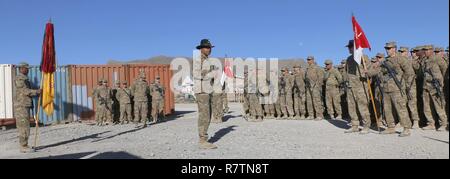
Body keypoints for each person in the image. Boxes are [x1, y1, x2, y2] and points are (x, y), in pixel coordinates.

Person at [193, 39, 218, 149]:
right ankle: (202, 140)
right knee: (204, 115)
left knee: (207, 114)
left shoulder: (206, 60)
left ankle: (203, 138)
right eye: (207, 48)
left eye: (210, 48)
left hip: (206, 90)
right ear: (201, 48)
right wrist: (211, 73)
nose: (209, 49)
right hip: (202, 91)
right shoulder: (198, 59)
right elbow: (197, 74)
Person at [14, 62, 42, 153]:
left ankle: (25, 144)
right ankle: (23, 146)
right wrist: (36, 92)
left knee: (26, 126)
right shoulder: (19, 78)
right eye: (26, 68)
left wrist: (37, 91)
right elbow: (25, 91)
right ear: (22, 68)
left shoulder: (25, 79)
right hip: (21, 106)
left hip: (25, 105)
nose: (28, 70)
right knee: (24, 127)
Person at [304, 56, 325, 120]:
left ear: (313, 60)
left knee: (317, 101)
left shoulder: (317, 68)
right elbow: (306, 78)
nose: (308, 61)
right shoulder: (307, 68)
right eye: (307, 60)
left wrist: (318, 86)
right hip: (308, 87)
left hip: (315, 87)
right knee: (309, 101)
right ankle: (311, 115)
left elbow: (321, 77)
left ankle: (319, 115)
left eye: (309, 59)